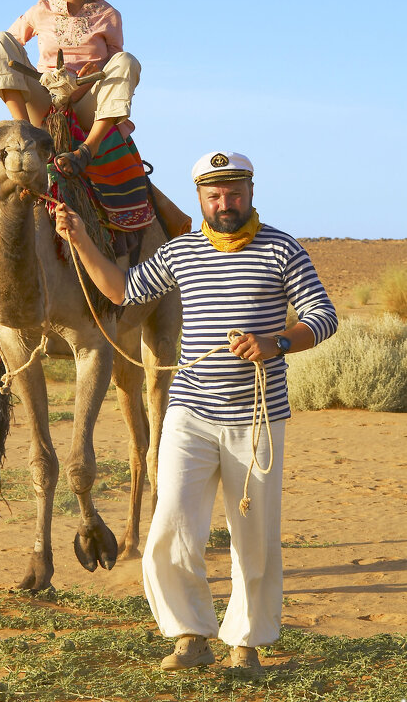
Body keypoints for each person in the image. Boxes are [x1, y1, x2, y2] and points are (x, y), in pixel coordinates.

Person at [54, 150, 338, 672]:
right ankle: (190, 635)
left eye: (233, 193)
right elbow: (121, 290)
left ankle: (245, 645)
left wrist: (276, 341)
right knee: (172, 526)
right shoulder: (179, 252)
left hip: (258, 419)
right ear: (201, 199)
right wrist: (79, 240)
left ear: (251, 192)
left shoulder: (283, 249)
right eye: (214, 195)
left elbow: (324, 316)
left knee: (253, 537)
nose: (224, 203)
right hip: (190, 414)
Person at [0, 0, 141, 175]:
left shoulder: (109, 15)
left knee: (127, 61)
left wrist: (98, 70)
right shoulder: (41, 9)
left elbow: (116, 65)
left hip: (87, 104)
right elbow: (11, 44)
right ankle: (25, 130)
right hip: (45, 100)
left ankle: (88, 150)